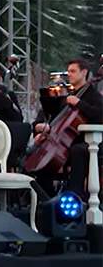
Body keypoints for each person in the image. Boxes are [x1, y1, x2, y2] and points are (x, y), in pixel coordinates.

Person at [31, 58, 102, 198]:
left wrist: (79, 103)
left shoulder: (92, 95)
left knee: (77, 151)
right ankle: (46, 198)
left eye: (73, 71)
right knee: (39, 154)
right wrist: (42, 129)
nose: (69, 74)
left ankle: (75, 195)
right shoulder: (69, 96)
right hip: (67, 142)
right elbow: (53, 118)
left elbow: (99, 115)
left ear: (84, 72)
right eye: (68, 71)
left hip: (86, 142)